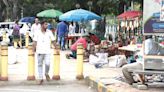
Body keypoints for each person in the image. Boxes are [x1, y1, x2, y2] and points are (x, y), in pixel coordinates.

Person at [33, 20, 57, 85]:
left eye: (47, 24)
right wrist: (33, 50)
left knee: (47, 63)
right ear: (42, 25)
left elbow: (53, 40)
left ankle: (46, 73)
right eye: (45, 24)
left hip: (47, 51)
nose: (47, 26)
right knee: (39, 65)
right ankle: (40, 78)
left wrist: (56, 48)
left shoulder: (49, 32)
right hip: (39, 51)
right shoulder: (37, 32)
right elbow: (35, 42)